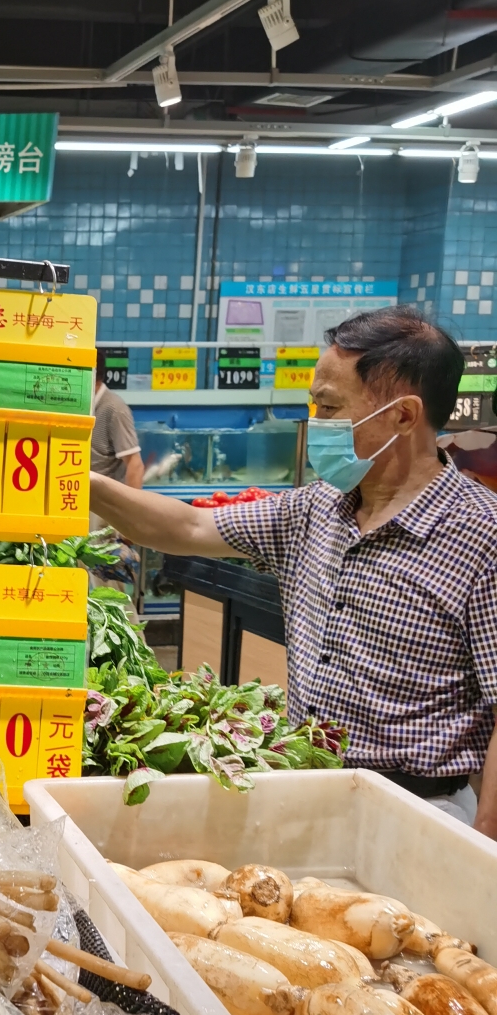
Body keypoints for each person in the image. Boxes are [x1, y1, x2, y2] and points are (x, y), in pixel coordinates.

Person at [88, 306, 497, 834]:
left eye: (329, 408)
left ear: (403, 415)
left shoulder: (480, 535)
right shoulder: (314, 509)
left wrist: (485, 847)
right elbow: (188, 528)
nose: (316, 424)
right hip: (310, 794)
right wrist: (80, 480)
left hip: (421, 814)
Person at [91, 373, 145, 490]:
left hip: (103, 499)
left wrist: (129, 507)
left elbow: (134, 464)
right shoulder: (80, 406)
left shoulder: (115, 408)